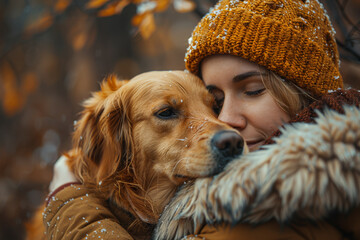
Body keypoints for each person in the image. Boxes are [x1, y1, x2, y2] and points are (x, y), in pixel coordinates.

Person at [42, 0, 360, 239]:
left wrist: (70, 204)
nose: (225, 122)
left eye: (252, 90)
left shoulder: (269, 208)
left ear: (304, 94)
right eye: (217, 102)